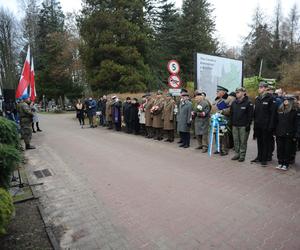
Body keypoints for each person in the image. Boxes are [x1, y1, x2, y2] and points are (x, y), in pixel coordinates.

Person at [251, 82, 276, 166]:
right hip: (258, 124)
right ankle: (259, 156)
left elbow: (273, 114)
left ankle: (264, 159)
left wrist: (271, 126)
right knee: (259, 142)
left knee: (266, 142)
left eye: (261, 87)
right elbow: (255, 112)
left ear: (265, 88)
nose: (259, 88)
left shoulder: (270, 98)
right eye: (259, 87)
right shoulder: (258, 98)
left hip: (266, 125)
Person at [230, 87, 253, 162]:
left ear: (243, 93)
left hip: (243, 126)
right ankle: (237, 154)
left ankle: (242, 155)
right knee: (236, 141)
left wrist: (248, 125)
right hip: (235, 125)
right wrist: (232, 123)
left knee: (243, 141)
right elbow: (231, 114)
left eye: (238, 92)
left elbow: (250, 115)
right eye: (236, 92)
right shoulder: (234, 102)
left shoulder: (248, 103)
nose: (237, 93)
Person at [274, 96, 297, 171]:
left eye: (287, 100)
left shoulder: (294, 111)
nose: (285, 101)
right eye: (284, 100)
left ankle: (285, 164)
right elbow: (276, 121)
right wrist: (275, 131)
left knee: (287, 149)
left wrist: (295, 134)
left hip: (289, 133)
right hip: (279, 132)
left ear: (290, 101)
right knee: (280, 148)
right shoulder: (280, 110)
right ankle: (280, 162)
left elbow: (296, 124)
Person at [211, 85, 233, 156]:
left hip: (224, 120)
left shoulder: (229, 99)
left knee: (223, 136)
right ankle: (218, 148)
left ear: (224, 92)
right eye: (217, 91)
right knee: (216, 135)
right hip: (215, 120)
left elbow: (231, 109)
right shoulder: (216, 99)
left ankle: (224, 150)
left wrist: (223, 111)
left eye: (218, 91)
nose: (217, 92)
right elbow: (213, 109)